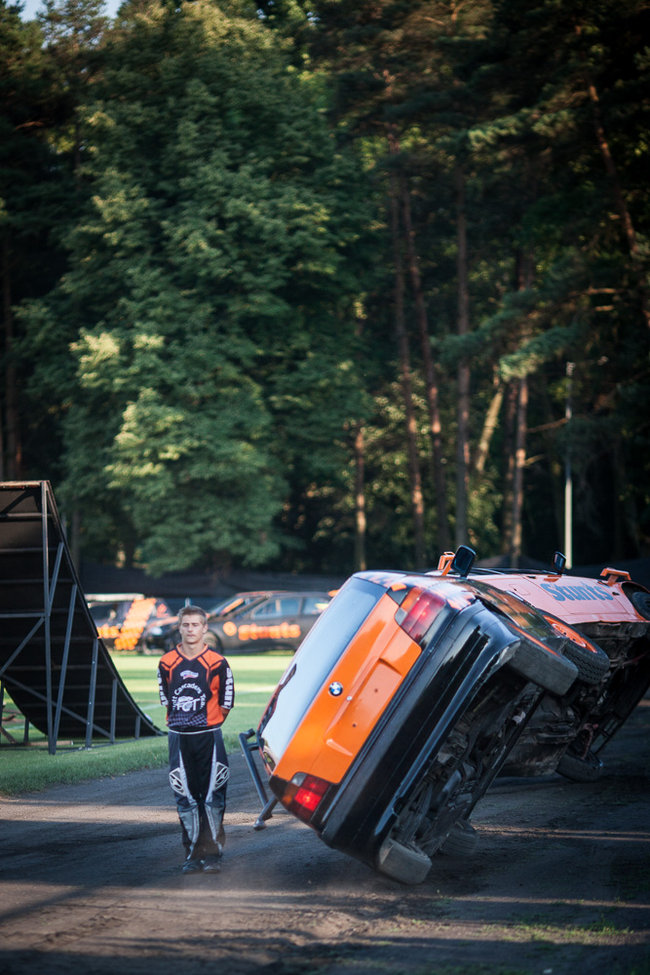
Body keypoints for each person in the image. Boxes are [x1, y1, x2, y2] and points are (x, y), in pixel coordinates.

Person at [157, 604, 235, 873]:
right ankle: (192, 855)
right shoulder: (166, 662)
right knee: (185, 797)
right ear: (179, 628)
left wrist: (207, 723)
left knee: (213, 796)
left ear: (204, 628)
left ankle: (213, 854)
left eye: (196, 625)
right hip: (179, 739)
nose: (191, 630)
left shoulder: (217, 663)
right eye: (186, 625)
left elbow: (226, 703)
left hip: (209, 738)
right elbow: (166, 699)